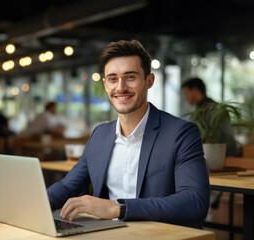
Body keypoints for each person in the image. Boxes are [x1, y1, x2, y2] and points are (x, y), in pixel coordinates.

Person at [47, 40, 210, 229]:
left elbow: (194, 202)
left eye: (130, 77)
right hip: (109, 234)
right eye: (113, 78)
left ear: (149, 81)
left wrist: (118, 208)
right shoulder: (100, 135)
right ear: (106, 84)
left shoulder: (181, 133)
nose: (121, 87)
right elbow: (68, 187)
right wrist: (32, 204)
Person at [181, 78, 237, 156]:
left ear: (194, 90)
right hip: (214, 155)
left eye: (186, 93)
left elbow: (225, 138)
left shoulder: (212, 110)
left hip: (219, 156)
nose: (186, 97)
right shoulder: (204, 110)